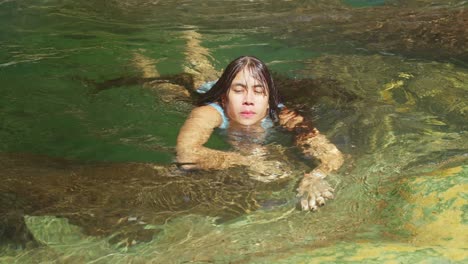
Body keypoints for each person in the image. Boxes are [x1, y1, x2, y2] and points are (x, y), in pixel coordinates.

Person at [176, 56, 344, 211]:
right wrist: (247, 161)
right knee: (189, 78)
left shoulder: (283, 115)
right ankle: (190, 43)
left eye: (258, 91)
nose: (248, 99)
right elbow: (186, 155)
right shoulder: (209, 113)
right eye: (239, 90)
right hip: (200, 91)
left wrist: (315, 177)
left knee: (204, 68)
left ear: (269, 100)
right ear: (224, 98)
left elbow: (332, 155)